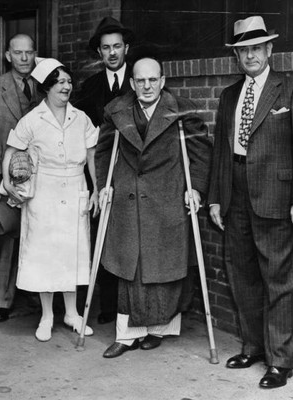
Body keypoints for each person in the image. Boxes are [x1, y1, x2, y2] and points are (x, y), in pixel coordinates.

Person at [207, 16, 293, 389]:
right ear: (237, 56)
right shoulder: (228, 96)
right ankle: (254, 347)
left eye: (257, 48)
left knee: (278, 279)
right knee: (243, 276)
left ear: (269, 50)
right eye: (243, 50)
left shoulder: (291, 89)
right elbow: (222, 154)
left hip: (276, 195)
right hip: (235, 192)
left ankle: (280, 361)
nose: (250, 55)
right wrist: (216, 200)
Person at [95, 56, 212, 358]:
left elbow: (200, 154)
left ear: (162, 81)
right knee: (129, 267)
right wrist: (103, 185)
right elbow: (105, 151)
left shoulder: (183, 110)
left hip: (167, 198)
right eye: (140, 81)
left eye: (152, 80)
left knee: (164, 267)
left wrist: (195, 189)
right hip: (128, 198)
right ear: (132, 83)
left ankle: (158, 330)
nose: (147, 86)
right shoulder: (116, 110)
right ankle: (127, 335)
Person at [2, 58, 99, 342]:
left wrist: (96, 188)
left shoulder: (80, 118)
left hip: (75, 189)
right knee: (46, 255)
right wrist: (8, 182)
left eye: (68, 82)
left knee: (72, 253)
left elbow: (92, 155)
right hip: (43, 193)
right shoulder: (32, 120)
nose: (66, 87)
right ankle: (47, 315)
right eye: (59, 83)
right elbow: (11, 150)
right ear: (47, 88)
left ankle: (72, 313)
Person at [74, 16, 134, 325]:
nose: (112, 53)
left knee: (132, 234)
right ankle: (109, 304)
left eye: (117, 47)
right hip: (103, 171)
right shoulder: (90, 88)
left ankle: (132, 304)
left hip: (135, 169)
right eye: (106, 48)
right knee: (105, 235)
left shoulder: (139, 82)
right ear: (99, 52)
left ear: (127, 48)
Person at [0, 34, 44, 322]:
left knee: (39, 235)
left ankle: (36, 293)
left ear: (35, 55)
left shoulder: (45, 85)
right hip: (8, 173)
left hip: (41, 174)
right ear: (7, 55)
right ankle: (2, 300)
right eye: (17, 53)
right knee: (7, 236)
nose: (23, 58)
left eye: (28, 53)